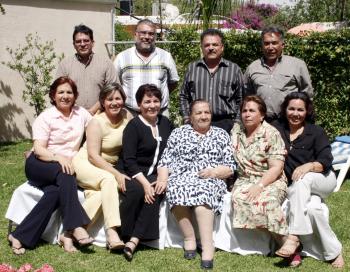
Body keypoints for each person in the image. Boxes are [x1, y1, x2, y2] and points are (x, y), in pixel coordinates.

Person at [8, 77, 93, 255]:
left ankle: (19, 236)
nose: (65, 96)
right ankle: (75, 226)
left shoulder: (81, 114)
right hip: (39, 163)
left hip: (61, 169)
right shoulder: (46, 117)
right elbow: (38, 149)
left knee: (54, 193)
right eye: (61, 92)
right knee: (66, 172)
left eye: (69, 92)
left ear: (75, 95)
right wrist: (58, 157)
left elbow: (97, 122)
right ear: (53, 96)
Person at [158, 99, 236, 270]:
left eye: (206, 112)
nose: (203, 116)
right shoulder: (178, 133)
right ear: (191, 117)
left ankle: (208, 246)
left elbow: (230, 166)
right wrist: (163, 179)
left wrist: (214, 172)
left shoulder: (221, 134)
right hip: (182, 176)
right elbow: (165, 160)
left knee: (204, 195)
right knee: (175, 189)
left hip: (211, 178)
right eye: (198, 113)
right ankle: (189, 238)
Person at [273, 92, 344, 268]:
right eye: (291, 109)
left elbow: (326, 161)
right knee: (313, 209)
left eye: (300, 110)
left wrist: (309, 166)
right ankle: (333, 252)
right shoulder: (276, 129)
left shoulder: (316, 131)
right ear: (285, 109)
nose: (295, 113)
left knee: (302, 180)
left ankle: (294, 237)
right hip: (297, 186)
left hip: (323, 179)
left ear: (307, 112)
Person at [116, 84, 173, 261]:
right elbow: (129, 161)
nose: (152, 105)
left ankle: (133, 241)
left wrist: (162, 178)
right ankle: (123, 232)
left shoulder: (166, 124)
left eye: (156, 101)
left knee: (156, 192)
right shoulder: (133, 126)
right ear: (139, 104)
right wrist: (145, 184)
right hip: (132, 172)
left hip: (156, 173)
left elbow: (171, 153)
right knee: (138, 191)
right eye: (147, 101)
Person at [72, 83, 130, 251]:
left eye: (118, 98)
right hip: (86, 163)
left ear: (123, 101)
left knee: (99, 195)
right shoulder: (96, 122)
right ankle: (112, 233)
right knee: (109, 180)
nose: (114, 102)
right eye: (109, 99)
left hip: (104, 167)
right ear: (103, 102)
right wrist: (117, 174)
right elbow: (93, 155)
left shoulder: (127, 117)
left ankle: (69, 232)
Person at [231, 95, 288, 251]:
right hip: (244, 179)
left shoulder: (271, 133)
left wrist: (260, 185)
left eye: (252, 111)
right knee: (240, 198)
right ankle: (283, 242)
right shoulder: (237, 131)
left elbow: (276, 167)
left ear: (262, 115)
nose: (247, 114)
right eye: (244, 111)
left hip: (270, 179)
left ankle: (287, 245)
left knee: (267, 201)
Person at [180, 28, 244, 133]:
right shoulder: (192, 68)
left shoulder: (233, 69)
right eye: (207, 45)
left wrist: (237, 122)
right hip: (197, 123)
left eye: (215, 45)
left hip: (225, 124)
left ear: (222, 47)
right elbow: (184, 96)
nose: (211, 48)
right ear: (201, 47)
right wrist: (187, 118)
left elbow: (241, 99)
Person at [244, 26, 313, 123]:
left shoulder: (297, 65)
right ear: (262, 46)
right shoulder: (252, 67)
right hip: (261, 123)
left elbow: (307, 95)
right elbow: (247, 97)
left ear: (282, 45)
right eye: (266, 43)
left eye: (274, 43)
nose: (270, 47)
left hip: (288, 123)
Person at [113, 19, 179, 116]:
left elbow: (173, 82)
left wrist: (158, 95)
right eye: (143, 33)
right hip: (130, 114)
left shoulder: (166, 56)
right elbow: (115, 84)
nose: (147, 37)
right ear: (135, 35)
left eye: (151, 34)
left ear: (155, 37)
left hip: (159, 114)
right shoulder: (122, 57)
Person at [57, 24, 118, 115]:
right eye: (78, 41)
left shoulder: (106, 63)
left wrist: (93, 110)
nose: (82, 44)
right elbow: (58, 91)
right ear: (74, 44)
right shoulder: (65, 65)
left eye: (86, 40)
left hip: (100, 116)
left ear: (92, 43)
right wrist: (77, 111)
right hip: (72, 116)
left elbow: (113, 90)